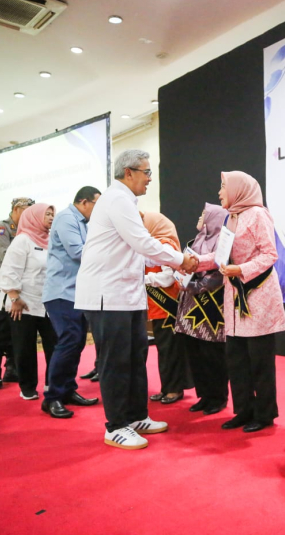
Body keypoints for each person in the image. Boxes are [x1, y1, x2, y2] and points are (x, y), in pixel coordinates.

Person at [75, 149, 198, 450]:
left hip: (127, 295)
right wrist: (180, 259)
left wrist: (173, 263)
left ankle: (136, 416)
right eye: (146, 172)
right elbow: (143, 243)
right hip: (107, 295)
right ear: (128, 172)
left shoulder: (126, 201)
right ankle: (116, 426)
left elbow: (138, 250)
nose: (150, 179)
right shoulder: (116, 199)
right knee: (116, 361)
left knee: (135, 357)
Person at [195, 171, 285, 433]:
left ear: (238, 189)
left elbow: (270, 255)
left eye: (223, 186)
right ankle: (244, 410)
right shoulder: (231, 217)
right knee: (236, 360)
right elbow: (220, 256)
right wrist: (194, 262)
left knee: (259, 362)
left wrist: (241, 269)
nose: (219, 192)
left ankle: (264, 414)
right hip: (234, 300)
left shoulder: (258, 214)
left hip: (258, 299)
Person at [41, 186, 101, 419]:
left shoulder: (84, 222)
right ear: (84, 202)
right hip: (61, 292)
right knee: (68, 342)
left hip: (76, 293)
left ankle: (67, 390)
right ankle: (52, 397)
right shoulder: (67, 218)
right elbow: (78, 252)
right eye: (97, 204)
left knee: (76, 343)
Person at [0, 203, 57, 401]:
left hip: (47, 302)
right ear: (35, 216)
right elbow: (9, 270)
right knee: (25, 347)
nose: (51, 217)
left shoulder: (51, 240)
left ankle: (52, 383)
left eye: (52, 214)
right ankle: (28, 387)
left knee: (54, 344)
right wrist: (14, 298)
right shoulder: (22, 240)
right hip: (22, 303)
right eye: (47, 214)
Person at [175, 204, 229, 416]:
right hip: (191, 306)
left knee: (212, 355)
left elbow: (218, 275)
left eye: (204, 214)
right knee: (195, 353)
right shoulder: (198, 239)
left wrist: (194, 285)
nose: (200, 217)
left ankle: (218, 397)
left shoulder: (222, 241)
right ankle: (204, 395)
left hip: (210, 308)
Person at [143, 211, 192, 404]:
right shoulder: (152, 245)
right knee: (164, 350)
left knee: (169, 350)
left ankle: (174, 389)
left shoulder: (166, 246)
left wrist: (143, 279)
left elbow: (168, 277)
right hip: (156, 308)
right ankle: (166, 388)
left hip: (167, 307)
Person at [0, 197, 34, 389]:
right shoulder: (1, 228)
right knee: (0, 326)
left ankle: (12, 368)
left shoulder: (29, 231)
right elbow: (8, 256)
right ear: (16, 209)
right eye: (27, 210)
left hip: (22, 283)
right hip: (0, 283)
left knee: (18, 325)